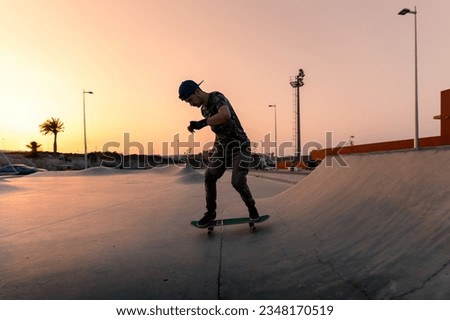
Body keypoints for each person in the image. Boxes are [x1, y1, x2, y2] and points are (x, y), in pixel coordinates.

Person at [179, 80, 260, 227]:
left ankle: (252, 208)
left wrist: (202, 123)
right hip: (222, 148)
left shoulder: (217, 98)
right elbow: (217, 129)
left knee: (237, 181)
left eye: (190, 100)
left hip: (240, 146)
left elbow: (225, 115)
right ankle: (210, 213)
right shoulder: (204, 110)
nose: (191, 104)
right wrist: (215, 149)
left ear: (197, 91)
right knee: (209, 176)